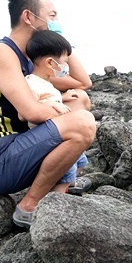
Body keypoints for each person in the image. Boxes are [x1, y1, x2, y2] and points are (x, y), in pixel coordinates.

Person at [0, 0, 96, 228]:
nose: (57, 22)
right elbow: (31, 112)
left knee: (79, 100)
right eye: (52, 16)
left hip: (13, 150)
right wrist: (63, 111)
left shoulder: (30, 62)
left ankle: (63, 179)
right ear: (29, 18)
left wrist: (60, 42)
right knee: (81, 122)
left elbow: (83, 82)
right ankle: (29, 206)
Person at [22, 29, 91, 195]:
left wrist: (62, 98)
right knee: (65, 171)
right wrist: (53, 105)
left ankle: (68, 183)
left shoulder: (47, 81)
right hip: (47, 135)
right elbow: (27, 111)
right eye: (64, 62)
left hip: (59, 131)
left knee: (81, 161)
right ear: (51, 63)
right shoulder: (31, 83)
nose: (66, 66)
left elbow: (49, 97)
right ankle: (57, 198)